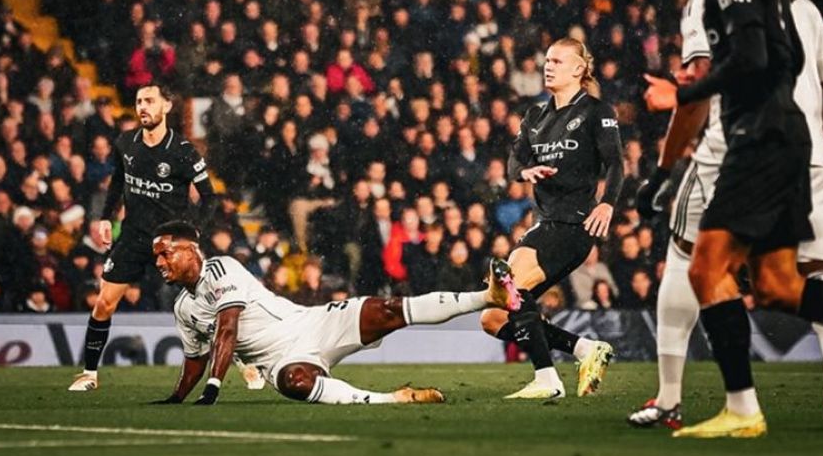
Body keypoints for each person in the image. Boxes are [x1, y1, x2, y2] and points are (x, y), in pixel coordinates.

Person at [643, 0, 823, 437]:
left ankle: (741, 409)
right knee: (780, 286)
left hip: (758, 138)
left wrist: (679, 95)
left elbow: (752, 57)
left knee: (705, 266)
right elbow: (801, 70)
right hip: (790, 136)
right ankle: (740, 408)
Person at [149, 220, 521, 405]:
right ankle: (394, 399)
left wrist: (213, 388)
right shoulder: (183, 307)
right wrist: (176, 398)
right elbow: (195, 357)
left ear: (191, 250)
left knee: (388, 309)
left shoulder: (221, 269)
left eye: (166, 254)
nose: (160, 263)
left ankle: (487, 296)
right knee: (295, 382)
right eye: (157, 258)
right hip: (279, 360)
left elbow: (227, 328)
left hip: (312, 323)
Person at [479, 37, 624, 399]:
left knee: (512, 290)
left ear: (578, 69)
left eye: (558, 61)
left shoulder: (596, 111)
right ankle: (585, 349)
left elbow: (616, 163)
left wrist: (607, 203)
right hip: (544, 224)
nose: (549, 66)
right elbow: (514, 161)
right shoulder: (535, 116)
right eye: (547, 60)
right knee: (493, 317)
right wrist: (524, 171)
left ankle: (547, 379)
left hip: (574, 224)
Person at [68, 83, 217, 391]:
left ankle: (246, 362)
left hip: (171, 243)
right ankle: (89, 374)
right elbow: (118, 182)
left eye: (149, 101)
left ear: (166, 106)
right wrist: (106, 217)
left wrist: (193, 233)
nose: (143, 107)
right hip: (134, 238)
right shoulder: (126, 142)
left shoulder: (183, 151)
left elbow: (210, 198)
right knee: (104, 303)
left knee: (209, 306)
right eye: (138, 102)